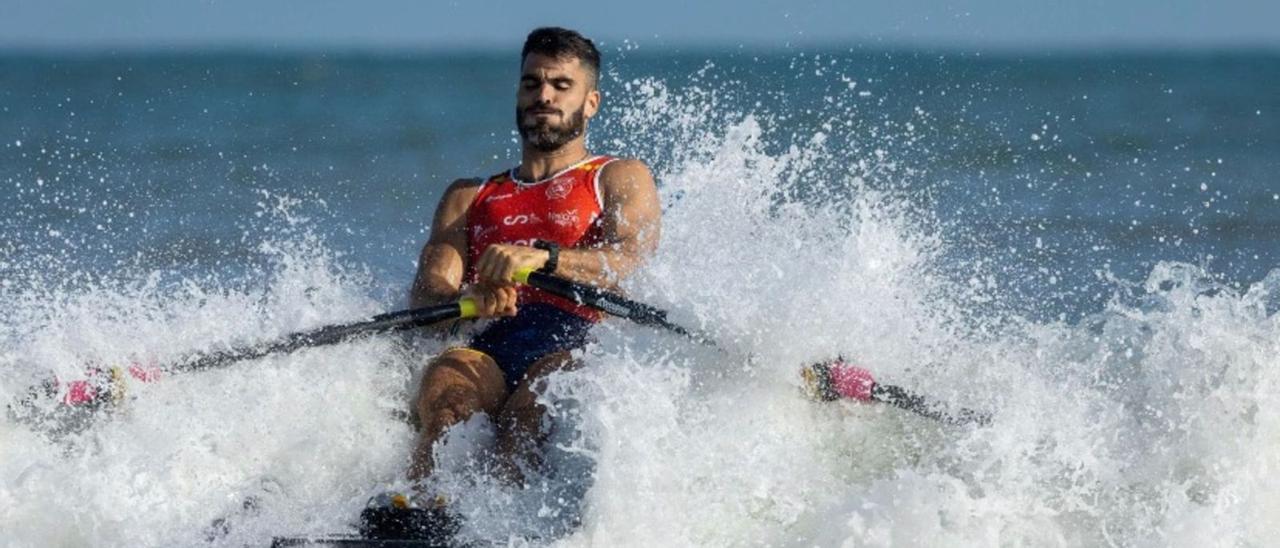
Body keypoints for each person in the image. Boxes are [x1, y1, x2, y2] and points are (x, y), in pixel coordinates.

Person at [359, 27, 661, 540]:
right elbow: (428, 295)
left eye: (561, 85)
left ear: (590, 103)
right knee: (447, 385)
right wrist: (466, 300)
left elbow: (630, 261)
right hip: (490, 342)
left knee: (531, 411)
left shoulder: (618, 176)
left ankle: (500, 529)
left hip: (578, 339)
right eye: (531, 84)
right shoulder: (469, 196)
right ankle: (419, 513)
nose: (543, 96)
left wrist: (541, 259)